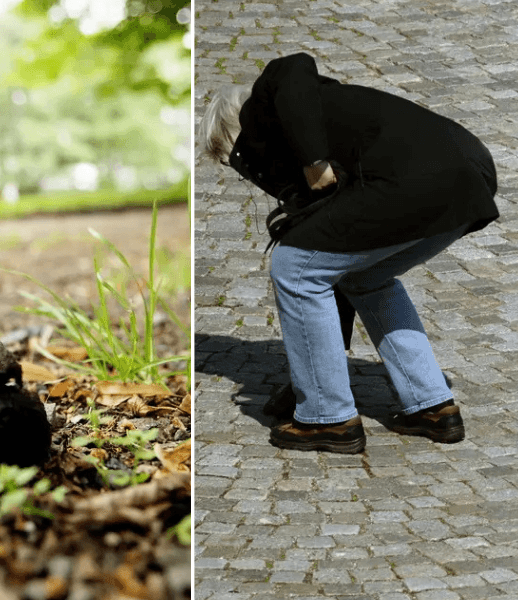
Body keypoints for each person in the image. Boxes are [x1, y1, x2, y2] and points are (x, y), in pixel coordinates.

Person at [201, 52, 499, 453]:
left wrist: (313, 161)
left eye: (230, 159)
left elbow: (294, 66)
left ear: (232, 135)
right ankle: (432, 405)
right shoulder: (328, 124)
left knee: (293, 264)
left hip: (417, 177)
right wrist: (309, 374)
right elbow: (332, 272)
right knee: (363, 274)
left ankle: (328, 418)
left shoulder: (265, 108)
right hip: (468, 176)